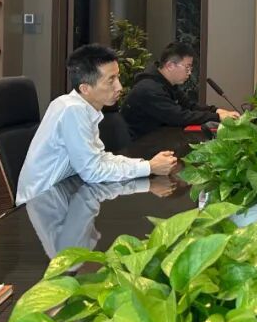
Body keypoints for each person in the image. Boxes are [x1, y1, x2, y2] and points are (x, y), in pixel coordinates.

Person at [17, 44, 177, 205]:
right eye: (111, 80)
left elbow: (99, 158)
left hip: (66, 195)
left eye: (118, 77)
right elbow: (92, 172)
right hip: (39, 206)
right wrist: (149, 167)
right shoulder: (72, 110)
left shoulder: (85, 108)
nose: (119, 87)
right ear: (85, 88)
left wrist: (146, 164)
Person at [121, 42, 239, 139]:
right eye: (187, 67)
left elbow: (190, 106)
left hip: (157, 139)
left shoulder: (168, 84)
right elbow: (179, 117)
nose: (189, 72)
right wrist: (217, 117)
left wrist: (217, 110)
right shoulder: (149, 89)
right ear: (170, 66)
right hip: (137, 146)